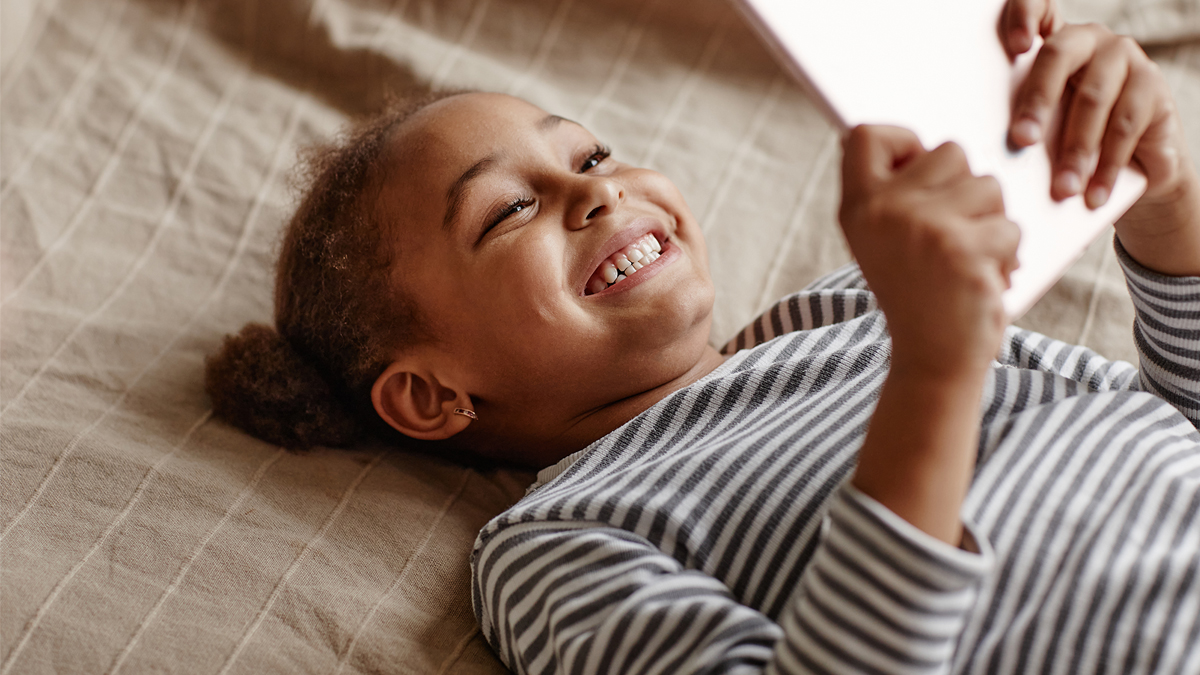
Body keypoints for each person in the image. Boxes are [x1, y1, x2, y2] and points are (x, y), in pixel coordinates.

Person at [203, 0, 1200, 672]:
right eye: (508, 213)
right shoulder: (556, 546)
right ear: (430, 393)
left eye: (591, 153)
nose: (596, 189)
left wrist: (1159, 195)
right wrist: (935, 369)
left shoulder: (854, 308)